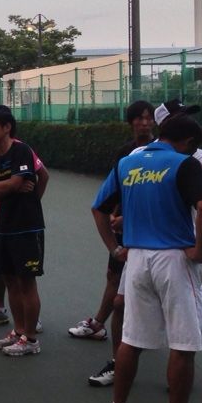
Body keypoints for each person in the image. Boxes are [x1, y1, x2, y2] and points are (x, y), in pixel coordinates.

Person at [92, 113, 202, 403]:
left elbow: (99, 208)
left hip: (137, 260)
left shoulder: (127, 163)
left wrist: (115, 248)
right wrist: (200, 252)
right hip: (175, 260)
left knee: (131, 340)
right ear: (189, 142)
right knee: (184, 344)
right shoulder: (184, 163)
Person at [70, 100, 154, 387]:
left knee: (131, 296)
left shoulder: (161, 152)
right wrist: (115, 216)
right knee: (115, 280)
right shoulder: (125, 153)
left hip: (149, 236)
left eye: (148, 118)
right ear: (131, 122)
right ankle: (100, 327)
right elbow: (115, 191)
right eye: (139, 118)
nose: (144, 123)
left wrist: (128, 218)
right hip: (124, 233)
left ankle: (135, 343)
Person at [0, 115, 48, 332]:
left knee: (26, 282)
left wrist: (25, 197)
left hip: (26, 226)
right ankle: (16, 328)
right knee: (5, 275)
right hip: (0, 225)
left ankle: (29, 335)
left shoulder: (22, 150)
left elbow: (31, 178)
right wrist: (9, 185)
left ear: (7, 127)